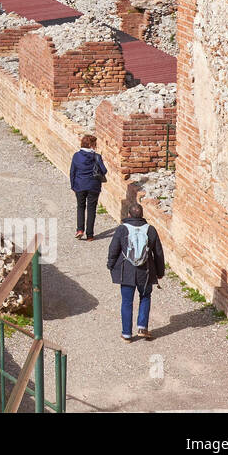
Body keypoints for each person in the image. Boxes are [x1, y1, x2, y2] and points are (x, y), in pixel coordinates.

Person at [106, 198, 166, 342]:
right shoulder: (150, 230)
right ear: (142, 215)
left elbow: (114, 249)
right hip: (145, 271)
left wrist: (111, 264)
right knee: (145, 297)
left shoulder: (122, 229)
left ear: (129, 214)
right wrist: (160, 272)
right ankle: (142, 327)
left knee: (127, 302)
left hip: (126, 271)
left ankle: (126, 334)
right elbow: (158, 253)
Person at [69, 133, 106, 241]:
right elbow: (104, 171)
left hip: (79, 185)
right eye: (95, 144)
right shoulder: (97, 156)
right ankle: (90, 235)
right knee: (91, 209)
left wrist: (73, 186)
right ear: (91, 145)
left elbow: (72, 172)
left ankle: (80, 230)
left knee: (80, 207)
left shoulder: (76, 156)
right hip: (93, 186)